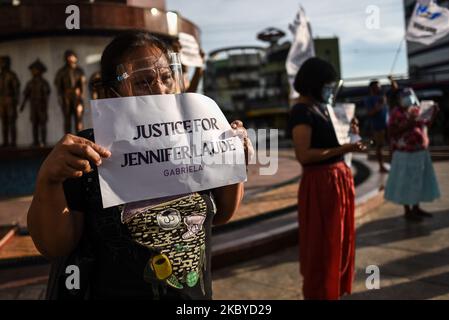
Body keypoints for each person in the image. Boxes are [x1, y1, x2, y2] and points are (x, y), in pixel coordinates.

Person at [27, 31, 250, 300]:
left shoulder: (198, 137)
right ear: (113, 92)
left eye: (167, 78)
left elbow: (222, 213)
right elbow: (53, 245)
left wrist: (233, 161)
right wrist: (48, 181)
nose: (160, 89)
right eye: (144, 82)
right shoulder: (89, 152)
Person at [289, 57, 366, 300]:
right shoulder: (301, 111)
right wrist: (342, 150)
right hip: (321, 184)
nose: (330, 90)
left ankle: (334, 290)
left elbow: (337, 144)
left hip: (338, 181)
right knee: (323, 245)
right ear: (314, 84)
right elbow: (304, 155)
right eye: (327, 85)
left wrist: (351, 136)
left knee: (340, 240)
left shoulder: (325, 109)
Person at [385, 87, 440, 222]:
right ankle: (407, 211)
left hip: (419, 151)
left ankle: (416, 207)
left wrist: (433, 114)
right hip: (404, 153)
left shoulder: (416, 110)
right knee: (405, 182)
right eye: (404, 96)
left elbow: (426, 124)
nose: (408, 98)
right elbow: (391, 132)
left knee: (417, 181)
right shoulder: (396, 113)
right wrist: (409, 124)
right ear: (399, 99)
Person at [20, 59, 51, 147]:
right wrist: (22, 105)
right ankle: (35, 141)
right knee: (34, 123)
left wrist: (45, 105)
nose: (33, 72)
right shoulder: (30, 83)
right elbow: (26, 95)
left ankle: (43, 141)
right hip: (33, 106)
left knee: (42, 123)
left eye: (34, 70)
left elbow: (47, 94)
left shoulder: (43, 83)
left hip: (41, 106)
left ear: (40, 71)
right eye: (32, 70)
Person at [54, 50, 86, 134]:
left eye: (72, 56)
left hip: (77, 97)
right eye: (69, 56)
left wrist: (82, 97)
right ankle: (68, 140)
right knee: (67, 120)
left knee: (78, 119)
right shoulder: (61, 72)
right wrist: (60, 98)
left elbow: (83, 85)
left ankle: (80, 138)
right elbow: (58, 86)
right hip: (66, 97)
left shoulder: (79, 71)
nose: (70, 58)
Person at [365, 80, 389, 173]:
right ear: (372, 88)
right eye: (377, 86)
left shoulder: (382, 97)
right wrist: (380, 104)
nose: (379, 88)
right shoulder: (369, 99)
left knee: (390, 145)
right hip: (377, 126)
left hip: (387, 125)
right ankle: (381, 166)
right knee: (380, 146)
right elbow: (370, 112)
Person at [0, 56, 20, 147]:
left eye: (3, 62)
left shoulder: (12, 75)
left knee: (11, 121)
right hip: (1, 101)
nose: (2, 64)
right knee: (4, 121)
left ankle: (13, 142)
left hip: (10, 100)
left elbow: (16, 89)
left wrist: (16, 100)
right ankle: (5, 142)